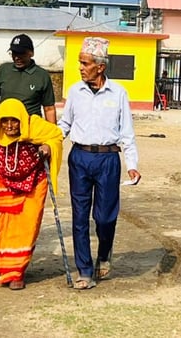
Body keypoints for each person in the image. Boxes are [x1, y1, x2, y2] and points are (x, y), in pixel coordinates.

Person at [58, 36, 141, 290]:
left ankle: (104, 253)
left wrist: (132, 164)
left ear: (100, 66)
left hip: (108, 159)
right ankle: (84, 270)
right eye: (80, 63)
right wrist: (49, 141)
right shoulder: (75, 91)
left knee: (104, 217)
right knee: (80, 216)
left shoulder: (118, 93)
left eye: (85, 63)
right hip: (79, 158)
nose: (81, 67)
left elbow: (127, 132)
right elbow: (65, 124)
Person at [0, 99, 63, 290]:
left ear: (22, 120)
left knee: (27, 227)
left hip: (35, 182)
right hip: (7, 183)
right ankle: (5, 265)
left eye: (14, 121)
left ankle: (16, 271)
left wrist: (48, 147)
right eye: (5, 121)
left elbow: (56, 134)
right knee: (8, 226)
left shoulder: (33, 126)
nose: (9, 126)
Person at [0, 34, 57, 123]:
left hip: (31, 130)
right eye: (14, 53)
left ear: (31, 53)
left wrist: (53, 133)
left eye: (21, 54)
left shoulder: (42, 75)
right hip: (6, 128)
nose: (17, 58)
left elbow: (49, 109)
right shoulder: (3, 70)